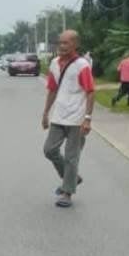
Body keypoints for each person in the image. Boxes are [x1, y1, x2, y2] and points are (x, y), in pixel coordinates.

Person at [42, 30, 95, 208]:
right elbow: (52, 89)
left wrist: (87, 118)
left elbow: (90, 92)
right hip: (59, 116)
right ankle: (72, 178)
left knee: (72, 157)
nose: (62, 46)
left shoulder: (82, 65)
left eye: (66, 43)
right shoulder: (54, 63)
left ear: (75, 45)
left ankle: (67, 192)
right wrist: (45, 113)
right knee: (49, 150)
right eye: (60, 43)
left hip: (77, 119)